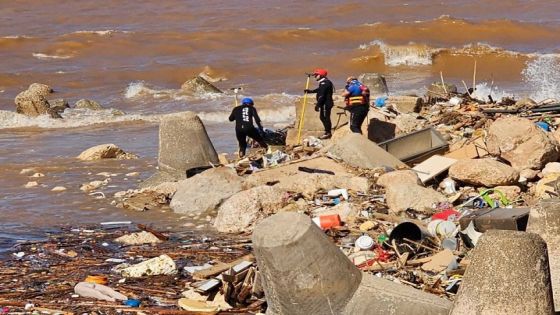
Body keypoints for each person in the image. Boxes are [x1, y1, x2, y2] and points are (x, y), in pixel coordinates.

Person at [304, 68, 334, 139]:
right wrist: (311, 91)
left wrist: (318, 105)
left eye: (316, 75)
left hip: (325, 104)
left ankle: (328, 133)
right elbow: (320, 90)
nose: (315, 76)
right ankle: (327, 132)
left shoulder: (325, 83)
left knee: (325, 118)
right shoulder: (324, 82)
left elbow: (322, 95)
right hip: (324, 103)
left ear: (321, 75)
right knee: (323, 117)